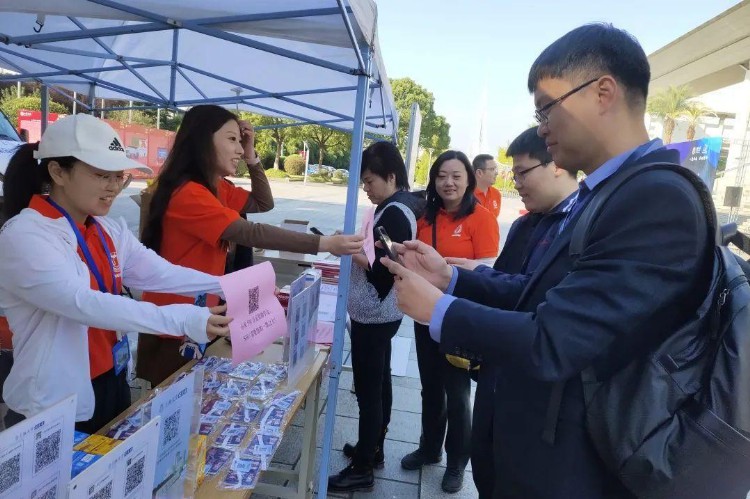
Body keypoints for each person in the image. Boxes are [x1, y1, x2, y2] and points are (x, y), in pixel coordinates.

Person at [380, 23, 713, 498]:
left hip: (576, 469)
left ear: (603, 92)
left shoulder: (656, 198)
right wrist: (450, 278)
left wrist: (436, 308)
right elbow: (537, 294)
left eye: (546, 107)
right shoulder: (607, 193)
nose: (541, 127)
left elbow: (553, 338)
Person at [0, 114, 231, 431]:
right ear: (58, 172)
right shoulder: (25, 236)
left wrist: (230, 284)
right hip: (52, 403)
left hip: (112, 378)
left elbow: (159, 274)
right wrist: (184, 317)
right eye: (101, 175)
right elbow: (83, 303)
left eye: (119, 176)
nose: (113, 187)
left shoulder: (106, 228)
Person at [137, 105, 363, 385]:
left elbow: (263, 202)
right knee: (173, 407)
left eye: (240, 142)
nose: (240, 150)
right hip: (173, 326)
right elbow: (250, 232)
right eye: (232, 139)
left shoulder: (217, 187)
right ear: (202, 140)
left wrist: (254, 155)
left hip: (201, 316)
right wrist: (325, 243)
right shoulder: (188, 193)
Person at [448, 127, 578, 499]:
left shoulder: (584, 224)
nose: (514, 182)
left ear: (556, 163)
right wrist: (455, 274)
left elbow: (534, 302)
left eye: (522, 172)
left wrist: (447, 301)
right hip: (498, 372)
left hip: (537, 386)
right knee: (485, 462)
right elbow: (508, 285)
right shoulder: (526, 224)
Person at [327, 141, 425, 493]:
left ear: (391, 176)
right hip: (379, 315)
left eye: (370, 181)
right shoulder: (395, 206)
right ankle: (374, 448)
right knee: (379, 383)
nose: (366, 189)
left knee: (370, 391)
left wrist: (349, 250)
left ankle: (363, 467)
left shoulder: (395, 213)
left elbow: (383, 271)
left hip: (375, 315)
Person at [400, 150, 498, 493]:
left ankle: (457, 462)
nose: (448, 182)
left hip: (460, 317)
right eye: (442, 175)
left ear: (469, 179)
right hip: (425, 313)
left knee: (457, 392)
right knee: (430, 388)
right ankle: (430, 449)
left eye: (456, 175)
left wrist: (453, 267)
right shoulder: (425, 216)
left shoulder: (482, 218)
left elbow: (490, 268)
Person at [472, 154, 501, 218]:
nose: (496, 173)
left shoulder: (496, 194)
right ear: (479, 173)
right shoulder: (466, 195)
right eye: (492, 169)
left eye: (495, 169)